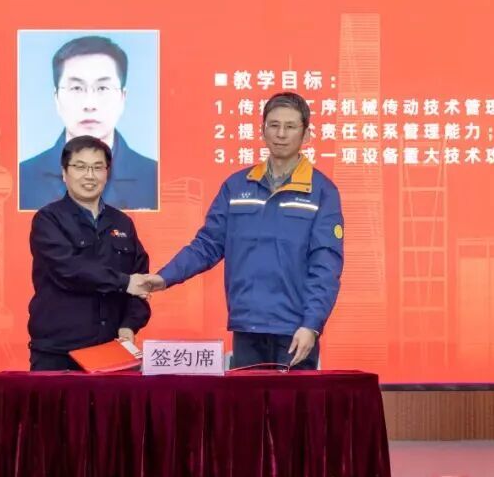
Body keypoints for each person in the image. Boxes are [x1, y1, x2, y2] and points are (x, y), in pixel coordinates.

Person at [142, 92, 343, 370]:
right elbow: (207, 244)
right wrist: (164, 278)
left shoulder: (322, 191)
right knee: (246, 400)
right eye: (274, 125)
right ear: (262, 131)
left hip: (296, 330)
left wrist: (312, 324)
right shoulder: (236, 187)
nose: (281, 134)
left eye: (290, 126)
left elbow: (326, 265)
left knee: (294, 401)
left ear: (306, 134)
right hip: (247, 325)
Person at [27, 135, 154, 371]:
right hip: (58, 353)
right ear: (64, 173)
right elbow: (68, 269)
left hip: (111, 350)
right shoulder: (48, 219)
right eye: (80, 167)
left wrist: (129, 325)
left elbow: (140, 281)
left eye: (97, 167)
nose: (89, 175)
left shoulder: (122, 223)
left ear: (107, 173)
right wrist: (124, 282)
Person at [19, 35, 157, 211]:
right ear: (56, 98)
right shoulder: (23, 179)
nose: (90, 104)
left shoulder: (154, 178)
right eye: (76, 88)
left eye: (102, 88)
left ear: (122, 98)